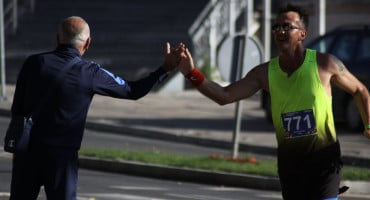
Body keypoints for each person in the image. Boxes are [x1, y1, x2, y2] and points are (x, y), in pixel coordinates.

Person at [178, 4, 370, 200]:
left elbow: (360, 90)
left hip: (324, 162)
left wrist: (368, 124)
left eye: (287, 26)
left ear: (302, 34)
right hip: (291, 166)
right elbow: (224, 96)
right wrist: (191, 73)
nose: (280, 31)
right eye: (276, 27)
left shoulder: (325, 64)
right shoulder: (264, 73)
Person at [8, 16, 183, 199]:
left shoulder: (33, 63)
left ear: (58, 38)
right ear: (88, 43)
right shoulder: (90, 72)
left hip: (26, 152)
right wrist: (164, 69)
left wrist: (17, 148)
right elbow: (132, 90)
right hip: (62, 158)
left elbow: (17, 107)